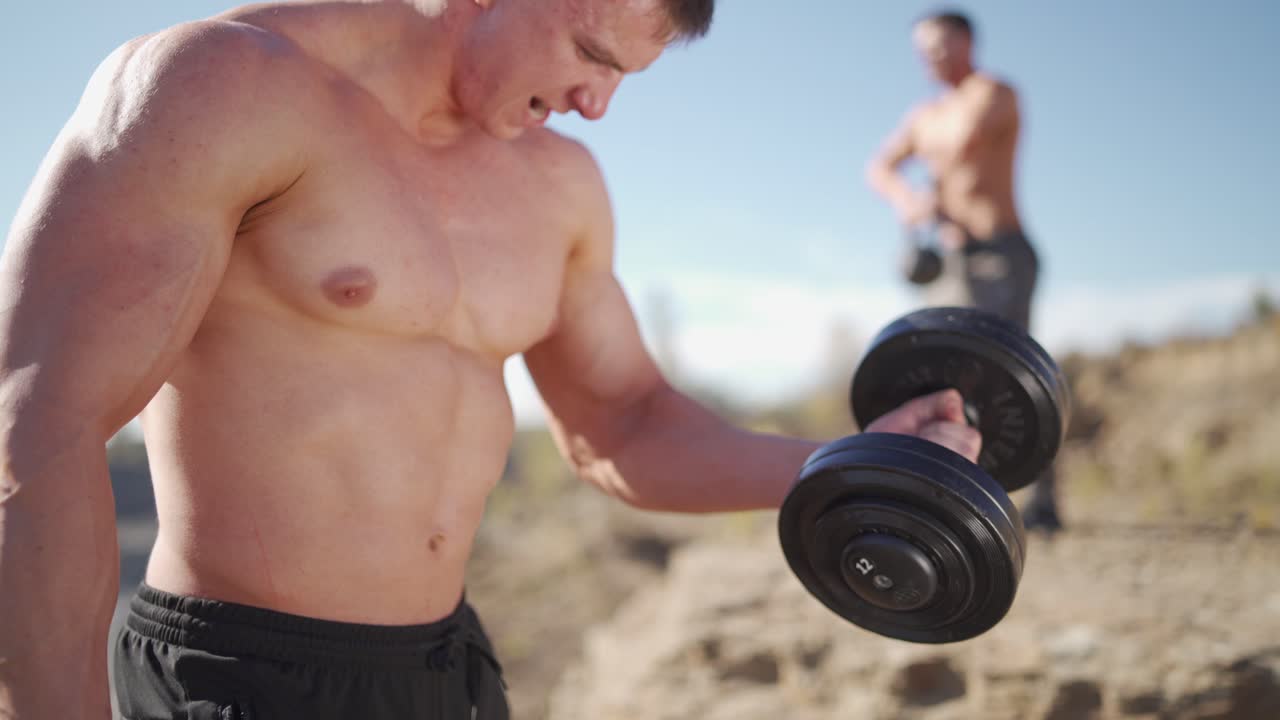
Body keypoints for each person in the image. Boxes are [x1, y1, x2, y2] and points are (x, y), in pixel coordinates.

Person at [0, 1, 982, 717]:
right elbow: (35, 426)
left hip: (447, 672)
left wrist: (859, 465)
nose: (597, 104)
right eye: (591, 53)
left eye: (625, 77)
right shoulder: (222, 87)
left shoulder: (559, 186)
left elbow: (623, 423)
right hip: (235, 674)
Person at [865, 9, 1062, 534]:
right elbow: (879, 167)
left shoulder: (994, 94)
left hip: (1000, 254)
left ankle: (1043, 501)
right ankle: (960, 497)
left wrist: (933, 182)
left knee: (1014, 376)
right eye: (921, 49)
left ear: (967, 42)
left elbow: (961, 147)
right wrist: (907, 199)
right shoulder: (924, 114)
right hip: (951, 262)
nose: (928, 57)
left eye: (939, 45)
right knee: (945, 375)